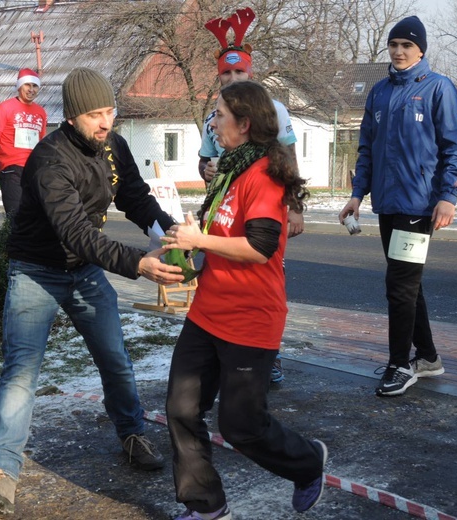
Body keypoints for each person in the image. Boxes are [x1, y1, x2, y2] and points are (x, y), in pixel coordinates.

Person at [0, 67, 186, 515]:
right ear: (71, 117)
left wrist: (171, 229)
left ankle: (132, 433)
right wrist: (137, 264)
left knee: (114, 358)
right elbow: (74, 232)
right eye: (94, 114)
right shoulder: (49, 160)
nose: (105, 122)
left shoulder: (115, 146)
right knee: (21, 371)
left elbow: (135, 197)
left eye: (110, 111)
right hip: (36, 271)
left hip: (85, 272)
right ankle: (2, 471)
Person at [163, 80, 327, 520]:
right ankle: (206, 506)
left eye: (218, 115)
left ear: (245, 124)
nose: (212, 123)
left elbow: (260, 247)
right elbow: (221, 235)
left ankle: (309, 463)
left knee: (241, 427)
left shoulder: (265, 176)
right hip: (208, 313)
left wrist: (202, 239)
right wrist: (192, 245)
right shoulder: (231, 170)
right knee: (181, 409)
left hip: (251, 319)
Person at [338, 16, 457, 397]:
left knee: (400, 286)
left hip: (420, 205)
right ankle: (427, 357)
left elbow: (456, 149)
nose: (398, 51)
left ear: (421, 50)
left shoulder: (438, 89)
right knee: (407, 285)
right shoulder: (378, 92)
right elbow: (366, 150)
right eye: (393, 44)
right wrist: (357, 194)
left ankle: (399, 364)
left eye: (406, 45)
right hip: (388, 205)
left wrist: (448, 196)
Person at [200, 7, 302, 384]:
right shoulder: (216, 114)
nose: (232, 77)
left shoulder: (271, 109)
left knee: (266, 275)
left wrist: (295, 208)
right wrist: (208, 172)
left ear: (251, 71)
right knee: (227, 280)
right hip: (228, 209)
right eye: (226, 72)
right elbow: (207, 162)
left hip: (263, 204)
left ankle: (267, 355)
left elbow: (288, 159)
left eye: (239, 71)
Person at [0, 67, 47, 219]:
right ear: (20, 86)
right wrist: (0, 163)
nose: (31, 90)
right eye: (28, 85)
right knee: (16, 220)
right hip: (12, 170)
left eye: (35, 86)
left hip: (34, 171)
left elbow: (41, 143)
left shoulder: (41, 112)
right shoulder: (5, 108)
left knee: (35, 220)